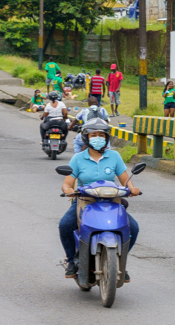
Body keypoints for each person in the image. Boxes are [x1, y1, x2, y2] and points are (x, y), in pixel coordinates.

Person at [58, 119, 140, 281]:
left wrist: (132, 188)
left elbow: (125, 180)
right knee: (65, 225)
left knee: (133, 228)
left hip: (111, 201)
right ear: (86, 137)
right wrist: (69, 191)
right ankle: (72, 260)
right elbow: (67, 183)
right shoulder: (78, 158)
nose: (97, 137)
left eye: (101, 135)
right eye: (93, 135)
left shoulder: (114, 156)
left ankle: (118, 262)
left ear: (107, 137)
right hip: (84, 201)